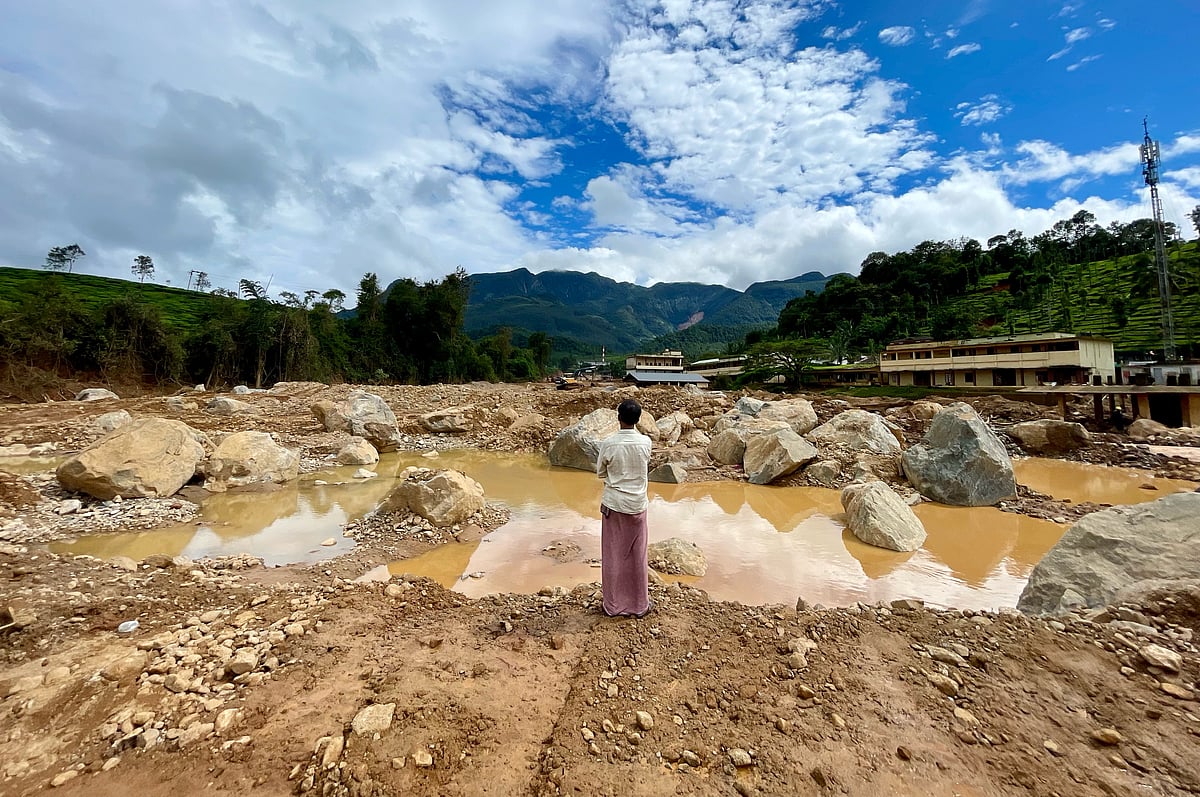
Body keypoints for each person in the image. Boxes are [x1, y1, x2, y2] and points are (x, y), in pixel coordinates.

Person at [596, 399, 653, 617]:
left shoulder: (609, 443)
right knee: (638, 555)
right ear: (638, 419)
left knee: (613, 554)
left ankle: (613, 605)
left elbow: (601, 472)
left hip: (614, 504)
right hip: (637, 505)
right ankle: (639, 605)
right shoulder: (645, 442)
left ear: (618, 418)